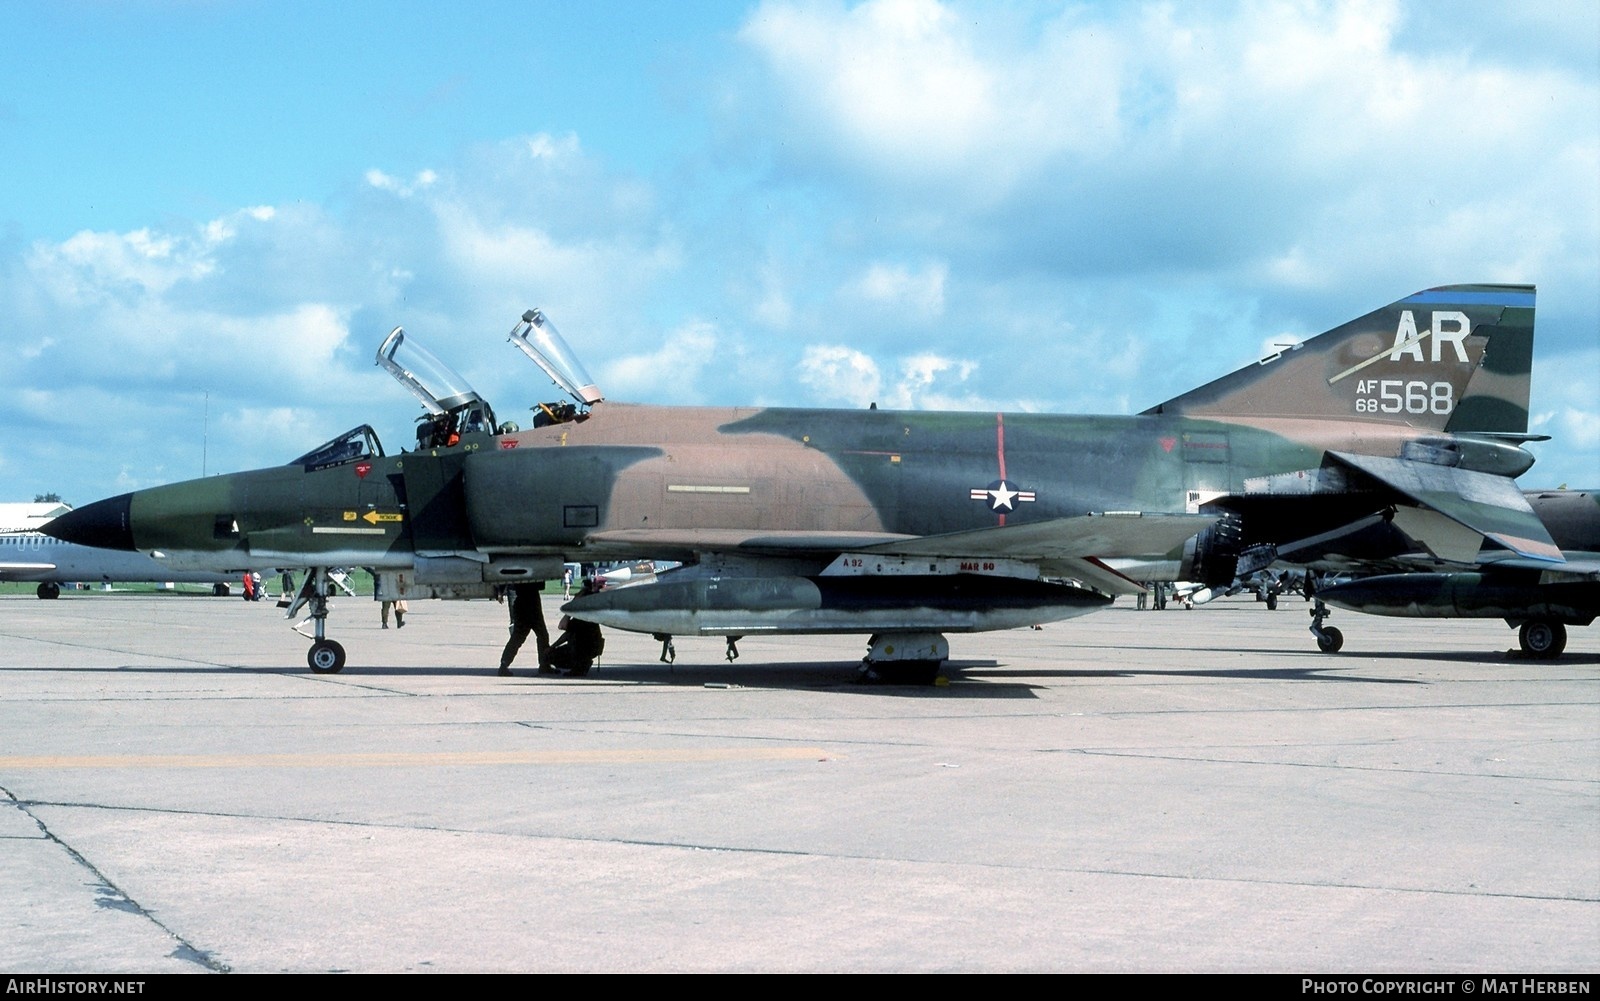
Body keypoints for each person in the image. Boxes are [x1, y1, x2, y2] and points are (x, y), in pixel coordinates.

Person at [541, 579, 604, 677]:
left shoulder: (580, 619)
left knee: (550, 655)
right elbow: (567, 634)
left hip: (583, 649)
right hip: (592, 649)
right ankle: (582, 664)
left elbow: (562, 626)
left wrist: (571, 608)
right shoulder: (590, 615)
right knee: (573, 645)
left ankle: (579, 667)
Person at [498, 582, 549, 676]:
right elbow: (541, 585)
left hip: (521, 603)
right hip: (532, 604)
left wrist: (500, 590)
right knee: (542, 635)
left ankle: (504, 664)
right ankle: (544, 664)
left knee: (517, 637)